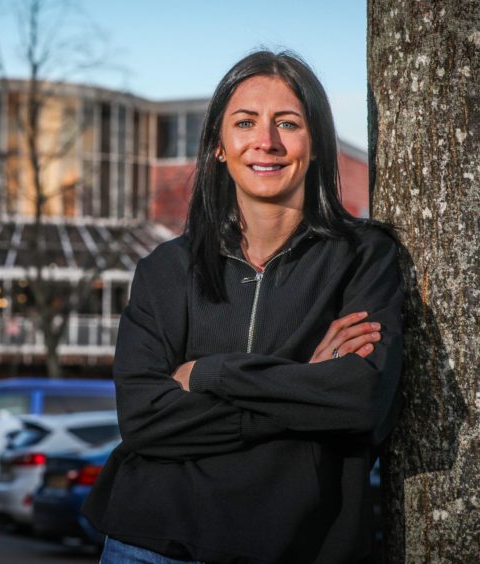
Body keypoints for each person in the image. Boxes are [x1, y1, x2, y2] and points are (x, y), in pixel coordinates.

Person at [82, 50, 403, 564]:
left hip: (300, 548)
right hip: (155, 544)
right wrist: (302, 385)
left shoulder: (365, 256)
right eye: (246, 122)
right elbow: (144, 420)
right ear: (218, 146)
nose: (267, 142)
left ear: (316, 143)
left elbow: (359, 401)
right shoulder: (166, 270)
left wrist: (210, 373)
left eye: (288, 123)